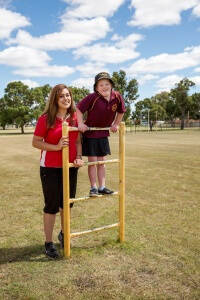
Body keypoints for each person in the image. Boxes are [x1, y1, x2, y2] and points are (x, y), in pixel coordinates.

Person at [32, 84, 84, 259]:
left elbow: (77, 142)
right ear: (55, 99)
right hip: (50, 169)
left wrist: (78, 157)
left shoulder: (75, 119)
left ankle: (64, 234)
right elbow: (36, 142)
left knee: (66, 205)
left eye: (68, 95)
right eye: (61, 96)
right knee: (51, 206)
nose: (66, 99)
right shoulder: (46, 118)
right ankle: (48, 243)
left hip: (70, 168)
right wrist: (56, 147)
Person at [76, 72, 126, 197]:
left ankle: (102, 186)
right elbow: (78, 109)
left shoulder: (117, 96)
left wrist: (115, 124)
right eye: (101, 85)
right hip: (91, 132)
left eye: (107, 84)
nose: (104, 87)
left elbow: (121, 111)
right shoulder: (93, 97)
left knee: (102, 162)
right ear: (96, 88)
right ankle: (93, 187)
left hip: (103, 132)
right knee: (93, 161)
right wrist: (81, 123)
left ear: (111, 85)